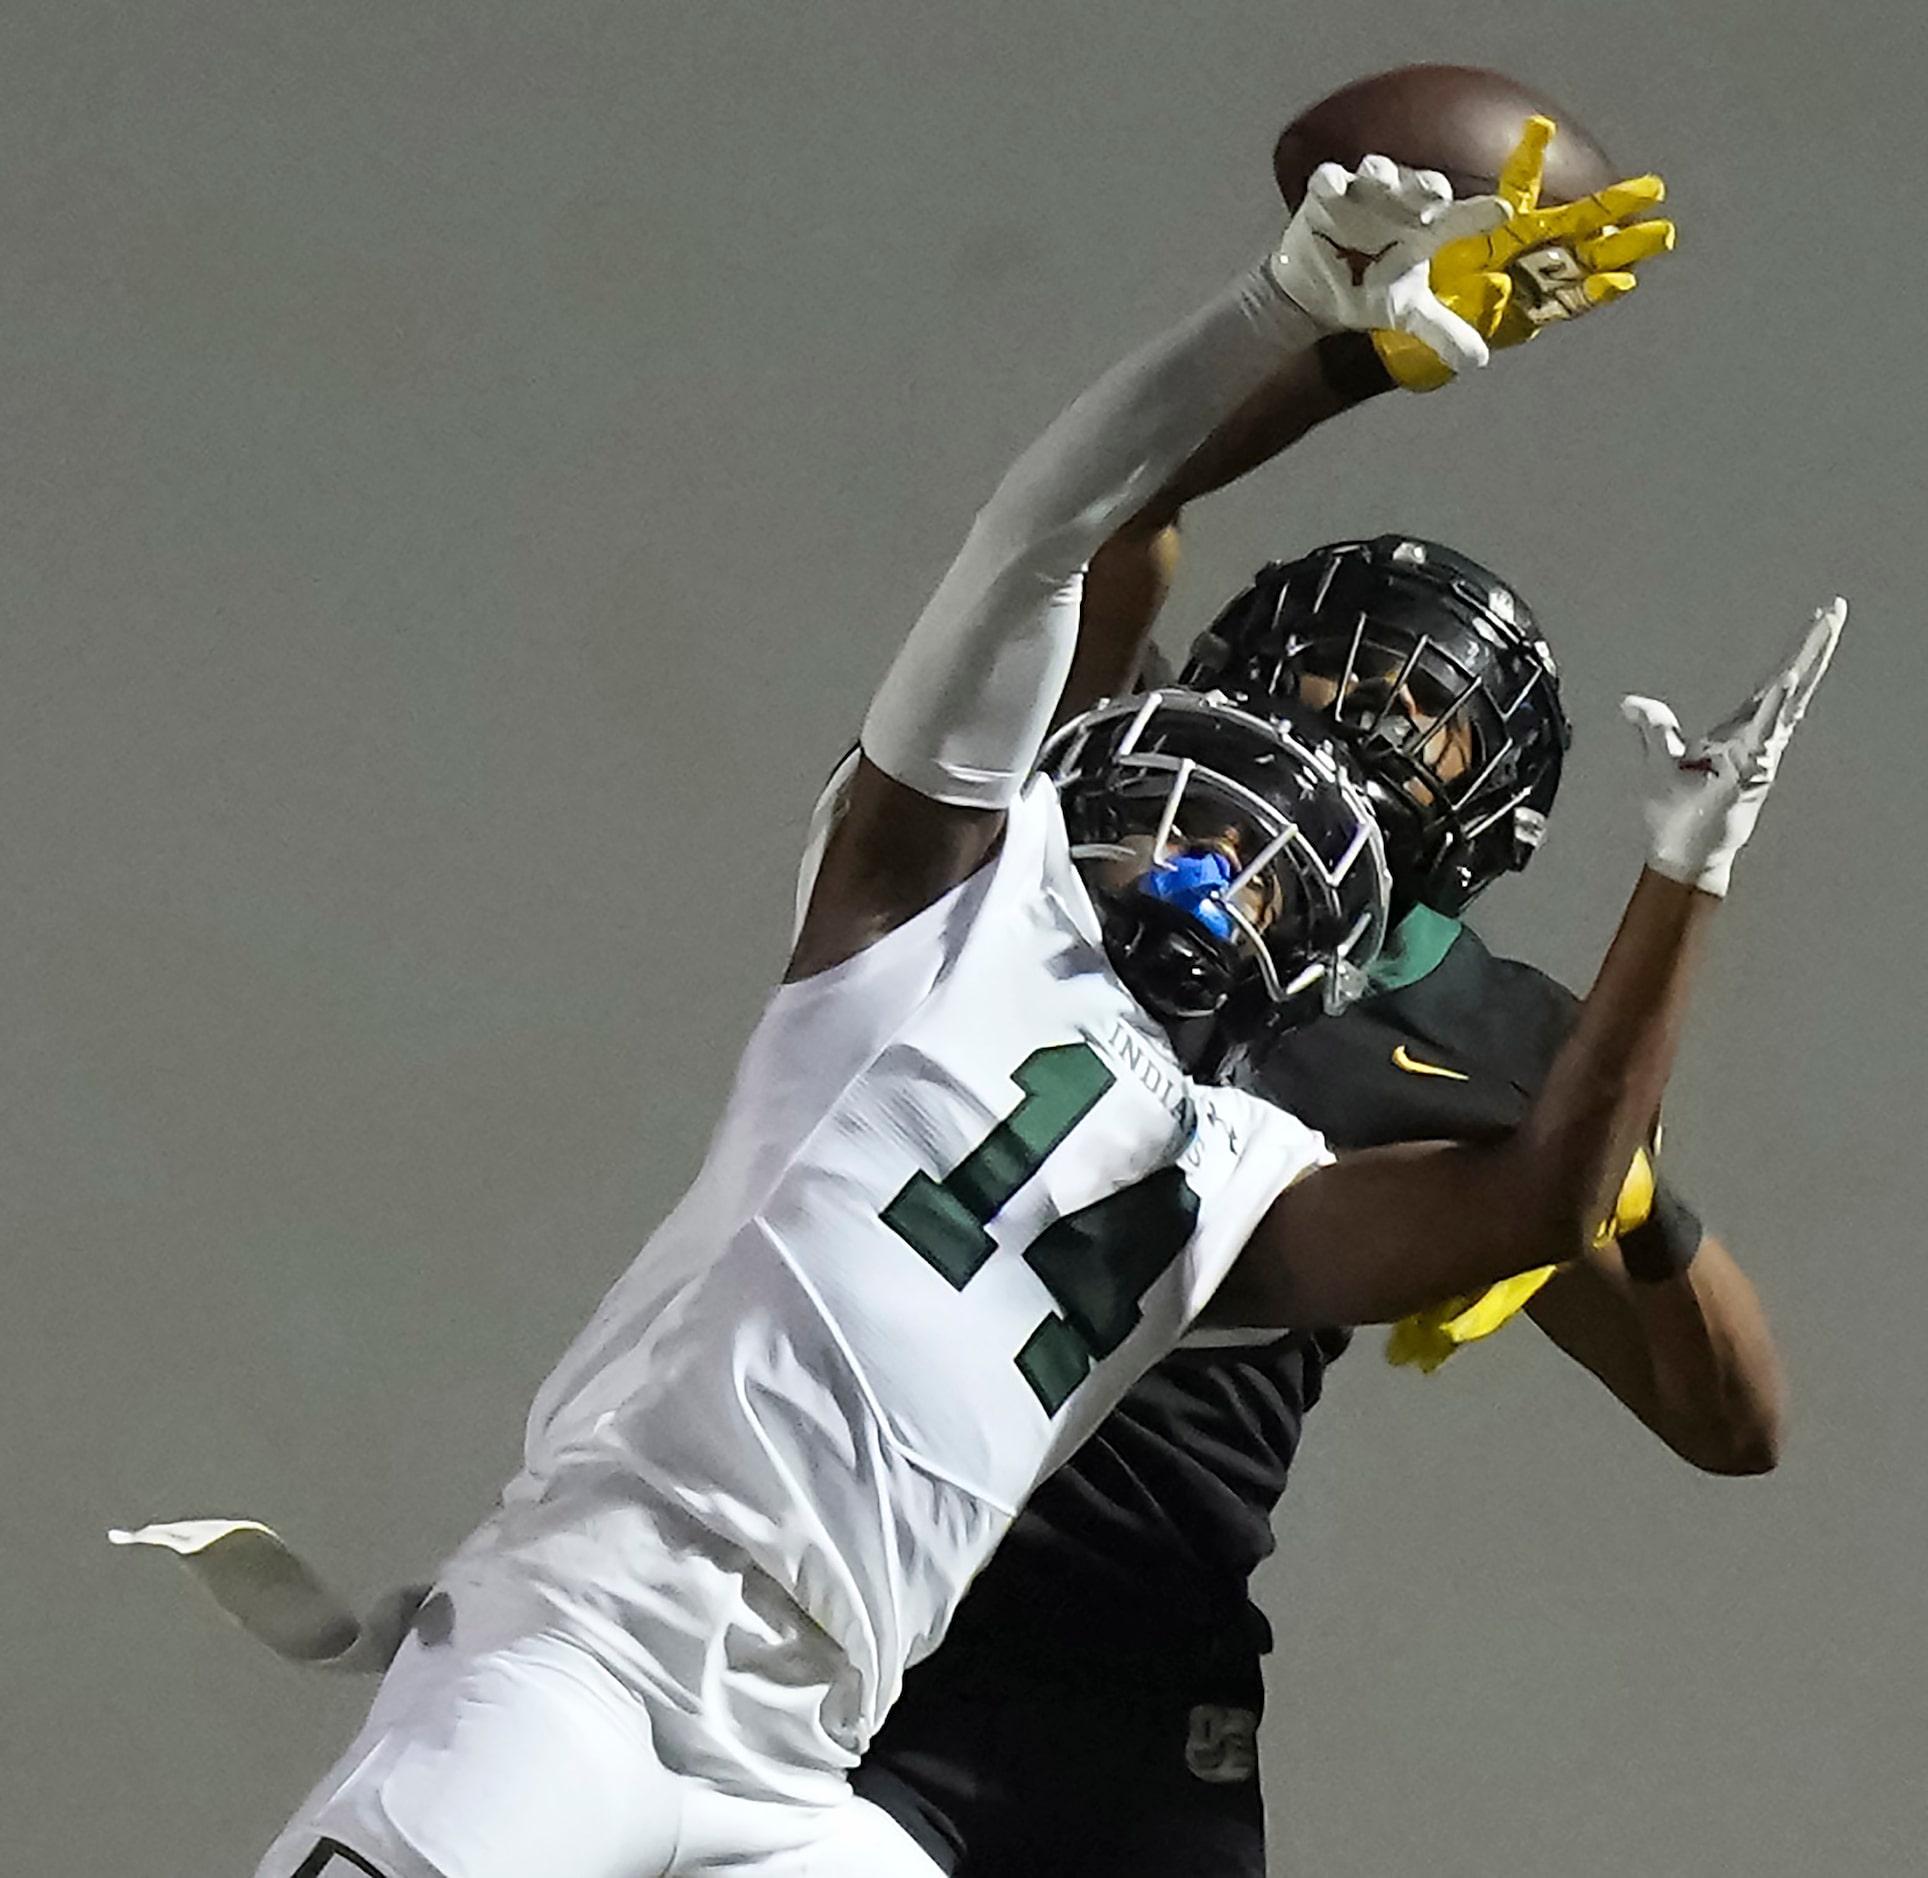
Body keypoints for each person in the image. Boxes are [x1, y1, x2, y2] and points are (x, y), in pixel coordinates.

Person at [127, 153, 1839, 1878]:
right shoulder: (938, 897)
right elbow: (1058, 539)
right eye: (1220, 783)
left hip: (824, 1740)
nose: (1220, 859)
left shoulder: (1258, 1152)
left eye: (1270, 863)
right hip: (606, 1625)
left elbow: (1563, 1216)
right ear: (1100, 758)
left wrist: (1685, 880)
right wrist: (1297, 330)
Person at [851, 533, 1788, 1878]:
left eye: (1427, 707)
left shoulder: (1504, 1044)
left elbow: (1734, 1421)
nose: (1372, 715)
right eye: (1347, 667)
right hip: (882, 1561)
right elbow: (1112, 537)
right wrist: (1282, 344)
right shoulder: (1103, 826)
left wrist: (1634, 1204)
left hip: (1143, 1638)